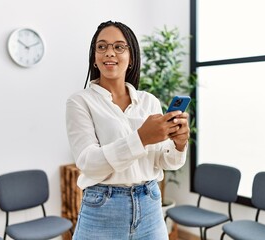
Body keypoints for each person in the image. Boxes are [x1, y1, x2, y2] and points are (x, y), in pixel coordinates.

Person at [66, 20, 190, 240]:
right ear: (94, 58)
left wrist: (179, 144)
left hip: (150, 204)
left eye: (119, 46)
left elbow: (164, 161)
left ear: (131, 57)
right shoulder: (80, 102)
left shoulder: (149, 101)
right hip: (102, 208)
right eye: (101, 47)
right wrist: (141, 138)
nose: (109, 53)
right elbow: (88, 162)